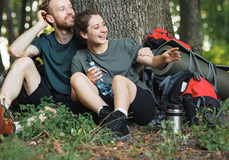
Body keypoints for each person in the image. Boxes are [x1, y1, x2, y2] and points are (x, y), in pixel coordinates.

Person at [0, 0, 152, 137]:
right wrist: (40, 25)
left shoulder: (85, 38)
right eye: (62, 9)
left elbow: (112, 51)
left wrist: (141, 53)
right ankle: (0, 109)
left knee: (48, 113)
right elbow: (15, 51)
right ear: (50, 18)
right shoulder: (45, 42)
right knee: (24, 61)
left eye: (70, 7)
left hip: (76, 101)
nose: (70, 12)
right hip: (47, 95)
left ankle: (10, 129)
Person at [70, 10, 181, 140]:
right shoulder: (80, 57)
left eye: (103, 25)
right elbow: (74, 97)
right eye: (96, 27)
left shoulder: (124, 44)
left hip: (138, 104)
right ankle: (111, 118)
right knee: (76, 77)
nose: (103, 30)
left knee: (118, 80)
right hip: (108, 106)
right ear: (84, 34)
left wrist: (162, 58)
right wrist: (89, 80)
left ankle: (120, 118)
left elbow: (152, 61)